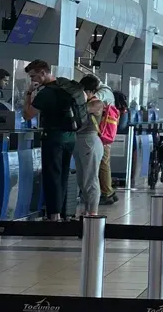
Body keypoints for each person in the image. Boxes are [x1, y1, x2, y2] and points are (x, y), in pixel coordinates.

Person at [22, 59, 88, 220]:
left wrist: (28, 93)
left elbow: (27, 114)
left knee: (52, 176)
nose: (32, 80)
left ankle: (54, 215)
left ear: (43, 73)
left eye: (33, 76)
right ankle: (63, 213)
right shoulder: (65, 86)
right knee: (63, 175)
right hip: (70, 137)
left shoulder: (47, 93)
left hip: (54, 138)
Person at [75, 76, 107, 217]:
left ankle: (93, 212)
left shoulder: (97, 103)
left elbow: (81, 110)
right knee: (82, 180)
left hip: (90, 141)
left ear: (89, 90)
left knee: (91, 179)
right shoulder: (86, 101)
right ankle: (87, 210)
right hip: (80, 141)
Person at [94, 78, 120, 205]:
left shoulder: (103, 91)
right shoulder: (107, 90)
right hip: (106, 131)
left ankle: (107, 193)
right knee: (104, 161)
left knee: (103, 162)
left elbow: (93, 99)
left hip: (103, 133)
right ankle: (109, 191)